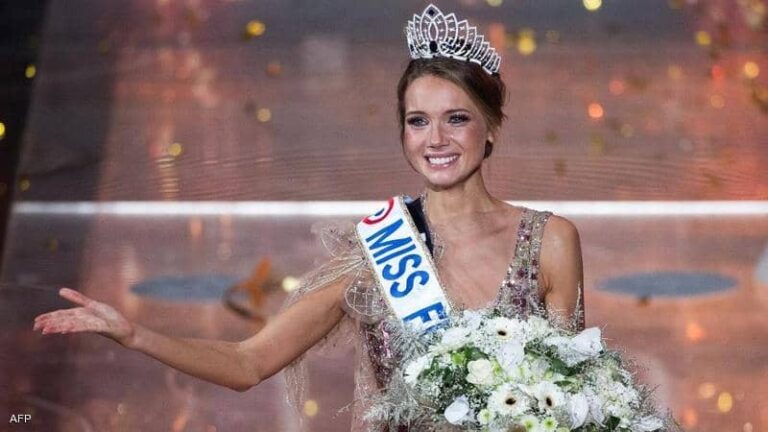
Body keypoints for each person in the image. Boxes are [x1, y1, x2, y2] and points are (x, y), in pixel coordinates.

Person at [33, 4, 584, 431]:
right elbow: (249, 363)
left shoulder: (549, 241)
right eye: (418, 121)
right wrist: (135, 334)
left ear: (490, 128)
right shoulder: (377, 252)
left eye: (456, 118)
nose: (435, 139)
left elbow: (577, 393)